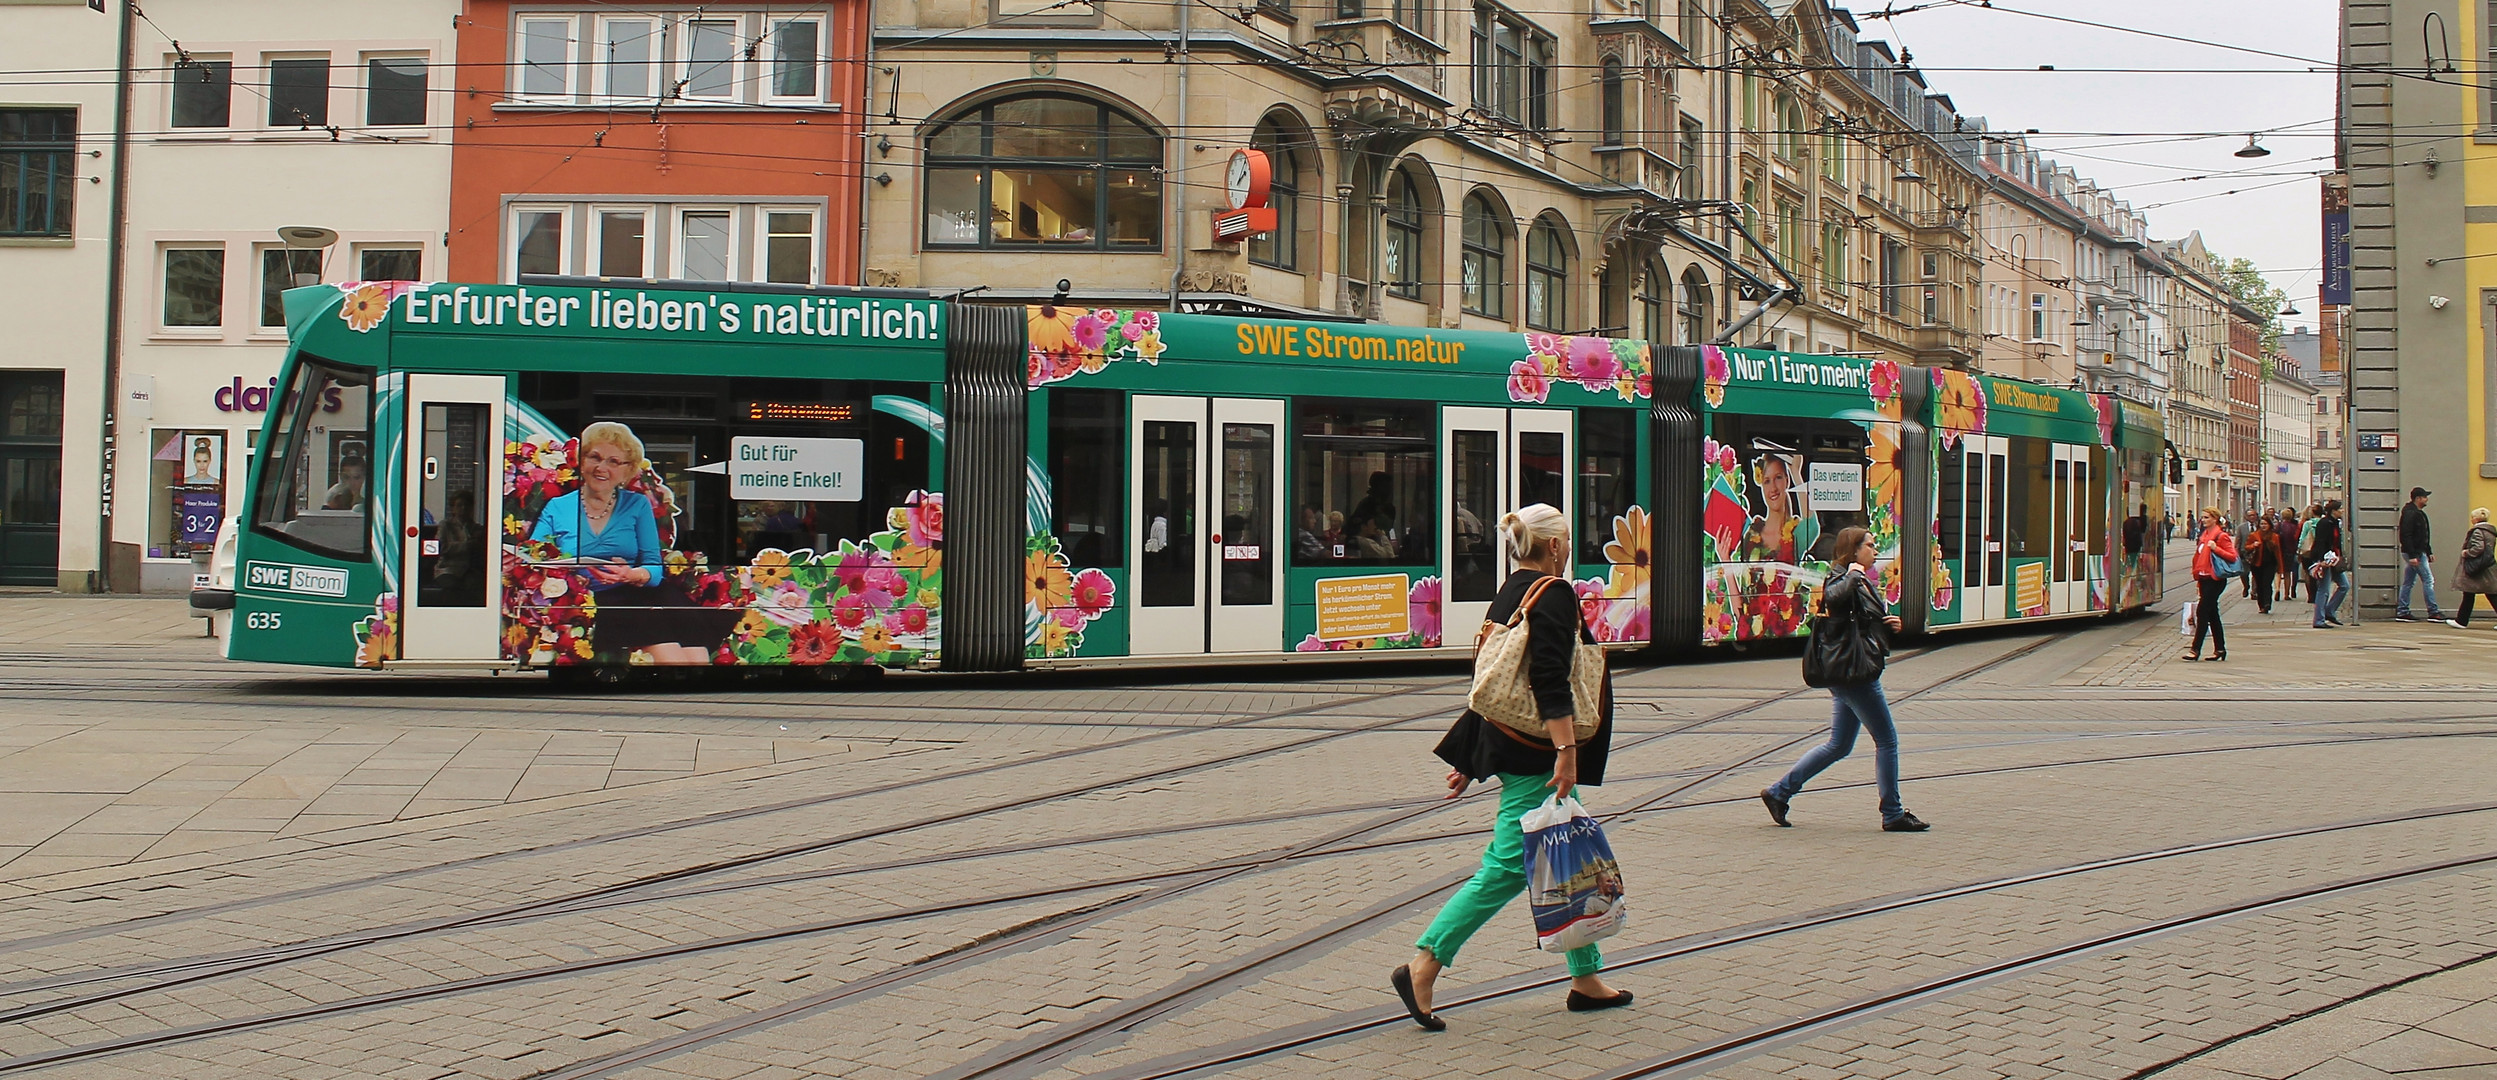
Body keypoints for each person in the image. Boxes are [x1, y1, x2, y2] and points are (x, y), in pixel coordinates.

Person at [1394, 503, 1626, 1031]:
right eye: (1566, 542)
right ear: (1553, 547)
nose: (1568, 551)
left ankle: (1586, 977)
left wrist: (1471, 759)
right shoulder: (1555, 592)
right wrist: (1567, 752)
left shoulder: (1510, 590)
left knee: (1568, 857)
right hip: (1539, 754)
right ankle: (1424, 963)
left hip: (1513, 744)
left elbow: (1491, 684)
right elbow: (1547, 678)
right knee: (1506, 867)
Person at [1759, 526, 1928, 832]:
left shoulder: (1858, 579)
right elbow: (1834, 599)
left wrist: (1887, 625)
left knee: (1839, 744)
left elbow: (1854, 623)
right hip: (1854, 674)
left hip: (1848, 671)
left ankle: (1779, 792)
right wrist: (1852, 575)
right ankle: (1892, 814)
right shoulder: (1843, 576)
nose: (1875, 551)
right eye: (1870, 546)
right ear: (1854, 550)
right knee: (1887, 741)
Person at [530, 422, 734, 664]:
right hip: (593, 598)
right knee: (671, 655)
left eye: (613, 461)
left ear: (627, 471)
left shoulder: (637, 505)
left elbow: (654, 567)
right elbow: (535, 558)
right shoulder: (557, 508)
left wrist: (631, 575)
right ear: (582, 462)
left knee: (694, 653)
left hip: (638, 589)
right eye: (594, 457)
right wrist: (571, 573)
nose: (601, 467)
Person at [2185, 508, 2238, 662]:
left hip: (2215, 579)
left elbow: (2233, 557)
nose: (2203, 520)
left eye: (2207, 517)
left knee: (2202, 612)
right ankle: (2220, 649)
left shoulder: (2221, 536)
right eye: (2202, 517)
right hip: (2204, 578)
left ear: (2215, 519)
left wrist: (2216, 548)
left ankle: (2195, 649)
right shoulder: (2204, 536)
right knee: (2212, 614)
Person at [2397, 487, 2445, 622]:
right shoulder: (2412, 514)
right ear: (2418, 498)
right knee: (2428, 580)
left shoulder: (2413, 513)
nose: (2426, 499)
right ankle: (2433, 611)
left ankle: (2402, 611)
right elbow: (2406, 535)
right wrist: (2413, 555)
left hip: (2416, 552)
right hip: (2416, 553)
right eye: (2425, 497)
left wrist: (2428, 551)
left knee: (2408, 582)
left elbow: (2421, 536)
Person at [2448, 508, 2497, 628]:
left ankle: (2461, 621)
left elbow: (2478, 548)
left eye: (2472, 517)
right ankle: (2461, 620)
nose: (2471, 519)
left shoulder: (2478, 531)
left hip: (2477, 568)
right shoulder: (2490, 531)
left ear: (2476, 519)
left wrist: (2466, 553)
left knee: (2470, 593)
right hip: (2487, 566)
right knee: (2490, 593)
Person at [2308, 499, 2349, 628]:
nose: (2342, 511)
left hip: (2334, 559)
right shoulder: (2325, 523)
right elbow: (2320, 542)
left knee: (2344, 586)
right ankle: (2319, 620)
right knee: (2323, 589)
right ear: (2333, 511)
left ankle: (2329, 611)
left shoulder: (2336, 523)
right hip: (2326, 560)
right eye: (2340, 509)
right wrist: (2321, 560)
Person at [2244, 511, 2281, 614]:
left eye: (2265, 524)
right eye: (2262, 524)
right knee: (2259, 585)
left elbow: (2278, 553)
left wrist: (2280, 567)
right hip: (2257, 564)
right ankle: (2261, 604)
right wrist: (2253, 545)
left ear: (2269, 525)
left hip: (2270, 564)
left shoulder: (2274, 537)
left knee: (2267, 583)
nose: (2263, 526)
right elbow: (2246, 547)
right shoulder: (2254, 535)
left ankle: (2267, 603)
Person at [2276, 508, 2305, 604]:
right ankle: (2286, 594)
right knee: (2288, 573)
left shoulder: (2279, 526)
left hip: (2279, 551)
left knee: (2278, 573)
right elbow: (2296, 538)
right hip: (2290, 552)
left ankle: (2277, 589)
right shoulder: (2294, 527)